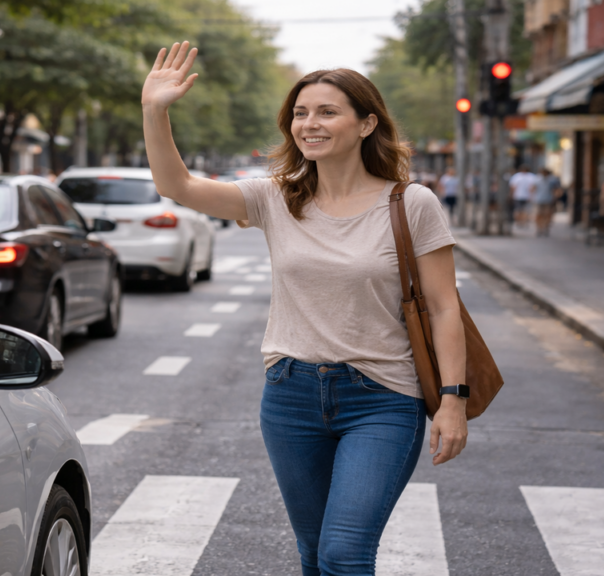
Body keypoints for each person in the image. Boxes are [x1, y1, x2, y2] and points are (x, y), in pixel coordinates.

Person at [142, 42, 467, 576]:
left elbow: (444, 306)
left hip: (382, 398)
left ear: (366, 124)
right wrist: (156, 110)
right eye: (300, 113)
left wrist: (452, 400)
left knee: (344, 553)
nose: (308, 124)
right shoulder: (277, 197)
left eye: (326, 112)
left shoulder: (412, 204)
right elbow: (175, 185)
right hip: (290, 396)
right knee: (314, 556)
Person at [533, 168, 562, 237]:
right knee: (539, 215)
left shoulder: (552, 180)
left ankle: (545, 227)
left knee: (547, 214)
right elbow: (533, 188)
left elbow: (556, 190)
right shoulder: (537, 179)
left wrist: (555, 198)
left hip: (548, 200)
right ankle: (539, 228)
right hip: (539, 199)